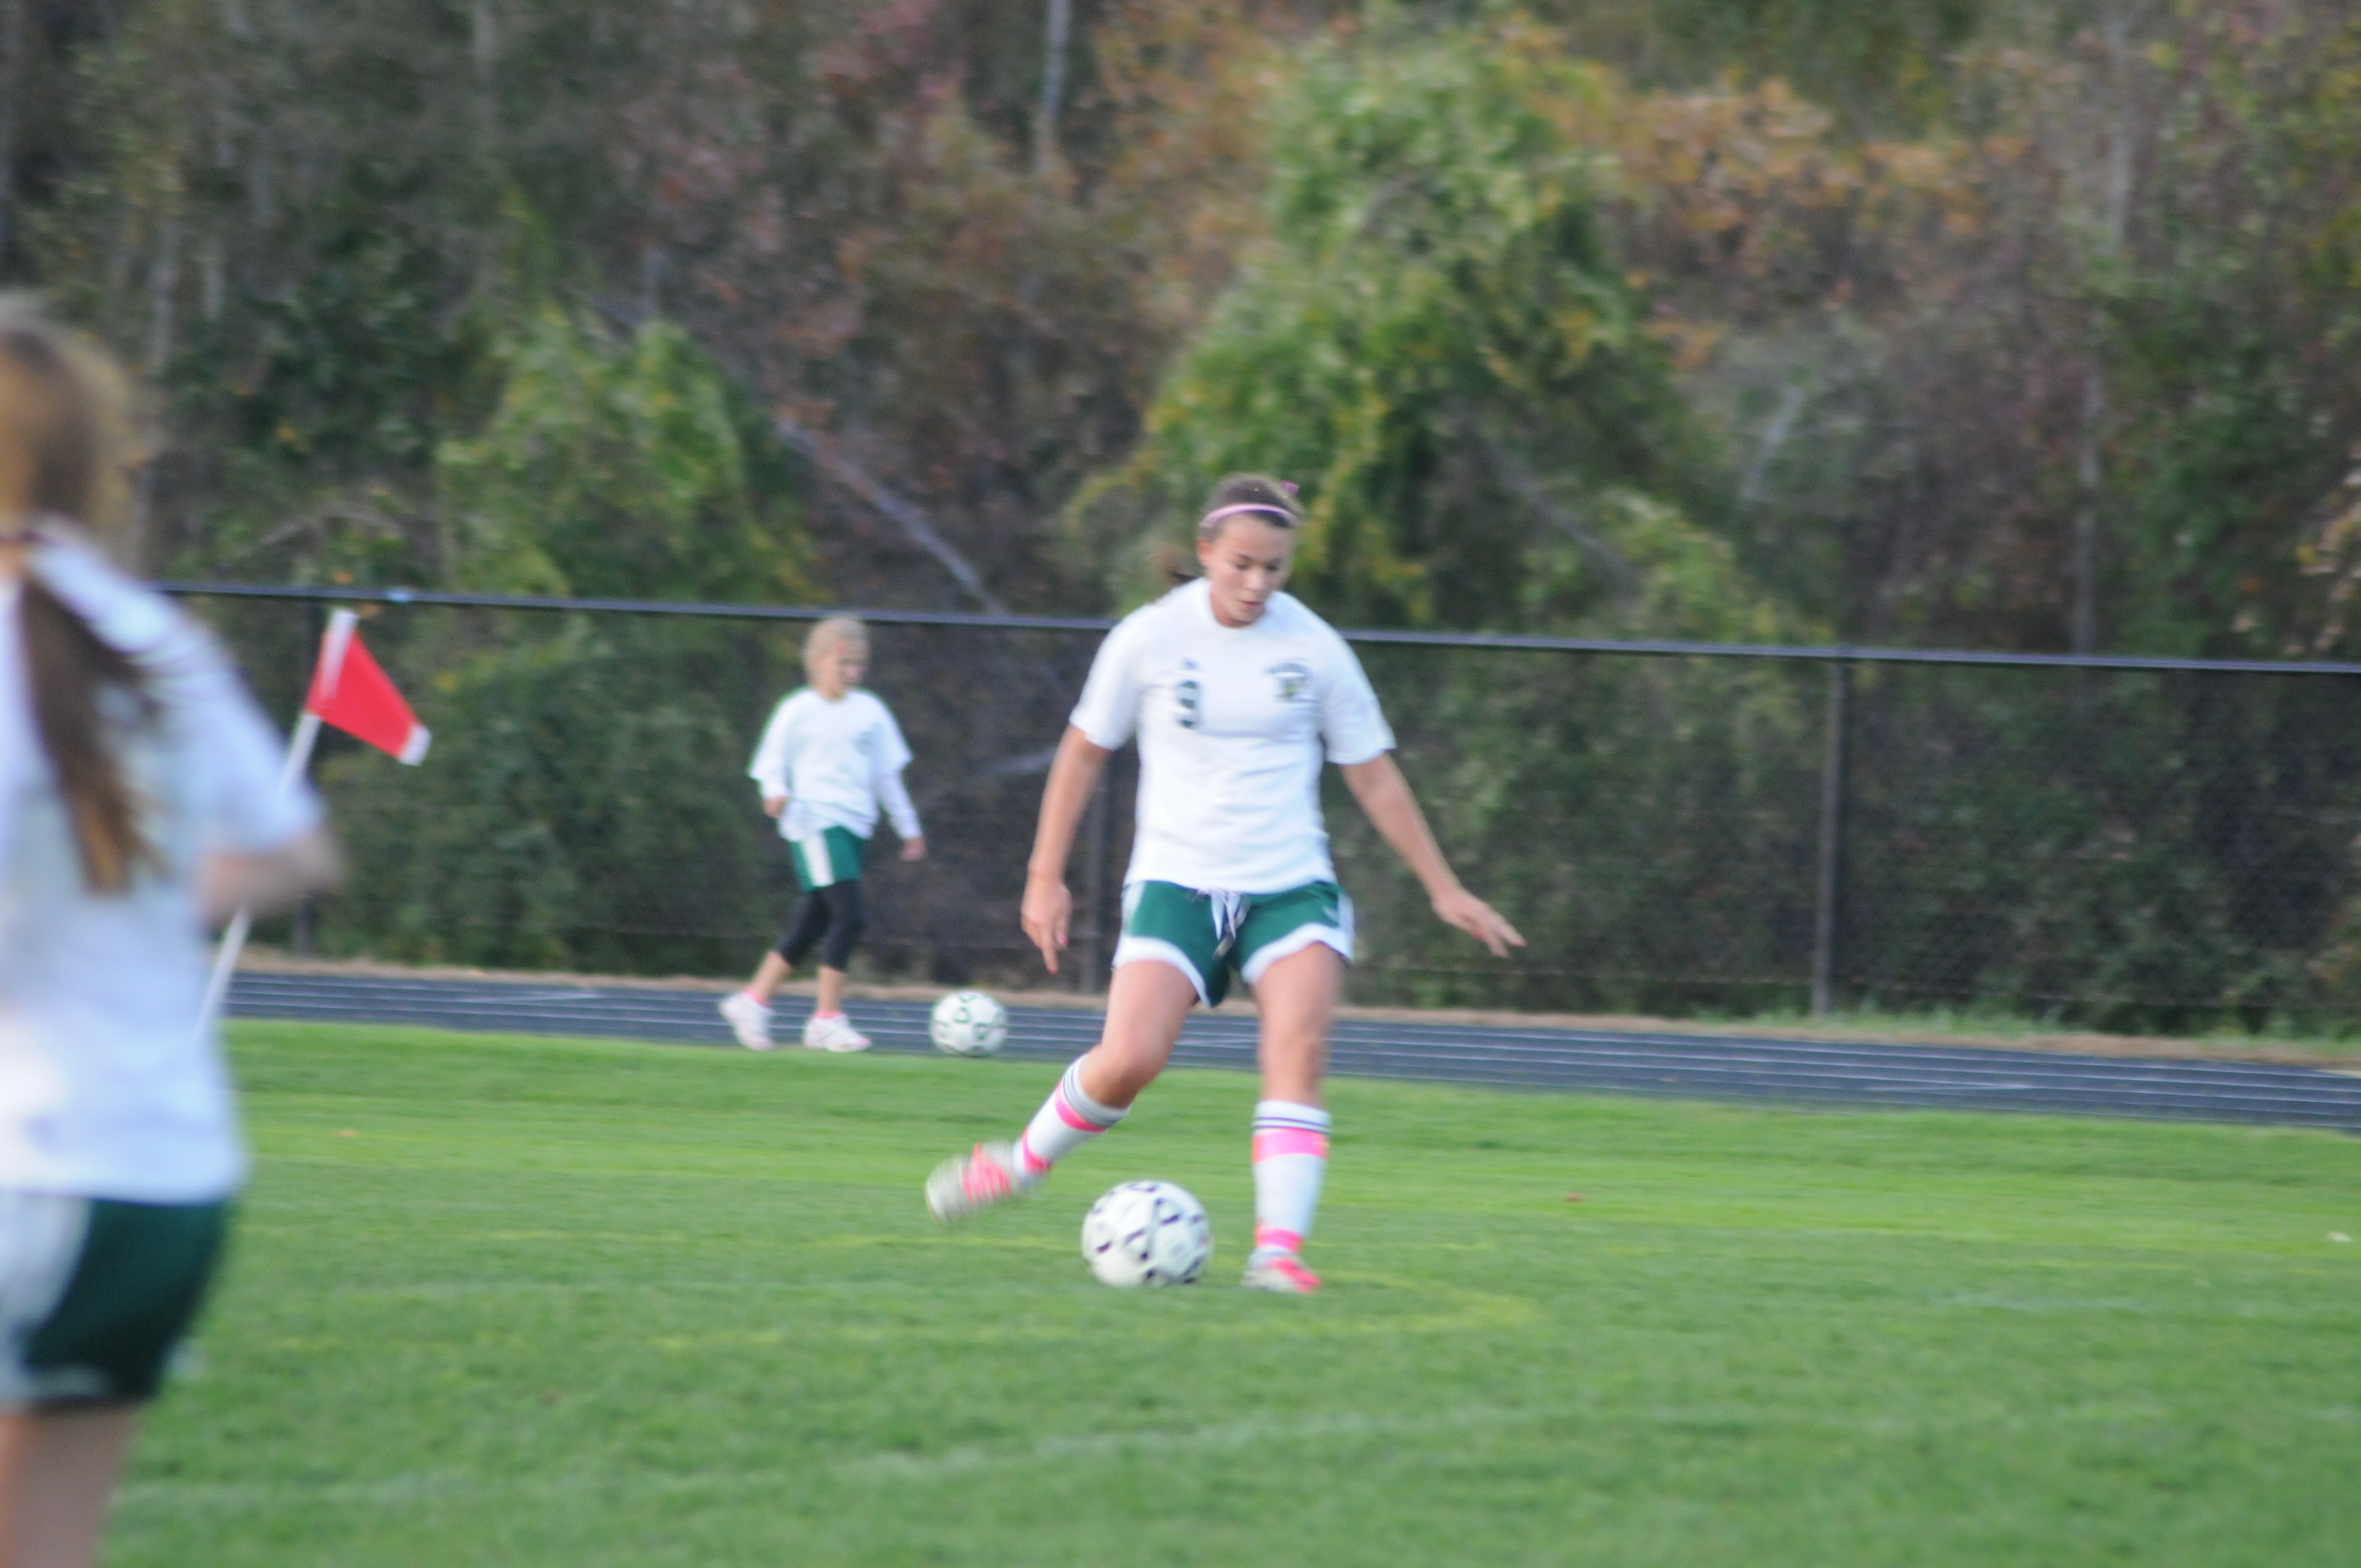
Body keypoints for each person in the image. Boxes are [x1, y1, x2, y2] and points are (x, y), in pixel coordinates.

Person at [925, 473, 1522, 1293]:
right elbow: (1083, 752)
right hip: (1177, 882)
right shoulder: (1148, 638)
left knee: (1297, 1051)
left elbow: (1373, 773)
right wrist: (1043, 876)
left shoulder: (1314, 648)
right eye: (1241, 564)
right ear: (1205, 551)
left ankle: (1277, 1254)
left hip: (1291, 885)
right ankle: (1020, 1165)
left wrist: (1443, 887)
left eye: (1275, 568)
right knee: (1129, 1060)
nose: (1257, 583)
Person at [0, 297, 339, 1568]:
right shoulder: (148, 632)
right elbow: (299, 850)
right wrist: (138, 897)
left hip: (30, 1165)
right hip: (169, 1180)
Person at [719, 617, 925, 1052]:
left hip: (854, 827)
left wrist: (908, 826)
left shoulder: (871, 712)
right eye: (843, 663)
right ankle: (826, 1018)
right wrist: (775, 793)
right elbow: (770, 764)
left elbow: (886, 777)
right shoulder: (797, 710)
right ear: (816, 662)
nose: (852, 672)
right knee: (850, 917)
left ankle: (752, 1002)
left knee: (814, 922)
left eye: (859, 664)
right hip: (814, 823)